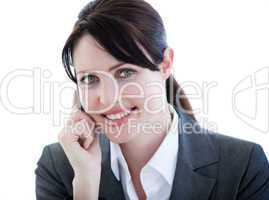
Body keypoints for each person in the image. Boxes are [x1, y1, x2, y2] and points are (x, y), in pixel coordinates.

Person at [35, 0, 269, 199]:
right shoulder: (60, 167)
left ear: (165, 63)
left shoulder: (243, 167)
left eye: (124, 73)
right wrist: (86, 186)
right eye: (90, 79)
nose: (106, 98)